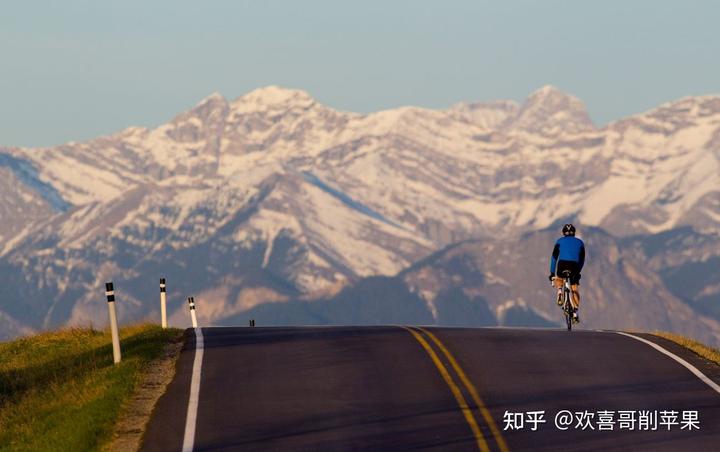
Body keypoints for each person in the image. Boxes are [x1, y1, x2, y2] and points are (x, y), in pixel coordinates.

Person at [549, 224, 585, 323]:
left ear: (563, 232)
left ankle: (560, 291)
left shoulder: (559, 241)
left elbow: (554, 258)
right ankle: (575, 312)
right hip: (574, 266)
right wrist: (578, 271)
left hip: (562, 265)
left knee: (559, 278)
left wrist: (552, 273)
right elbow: (582, 260)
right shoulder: (580, 242)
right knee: (574, 288)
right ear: (574, 232)